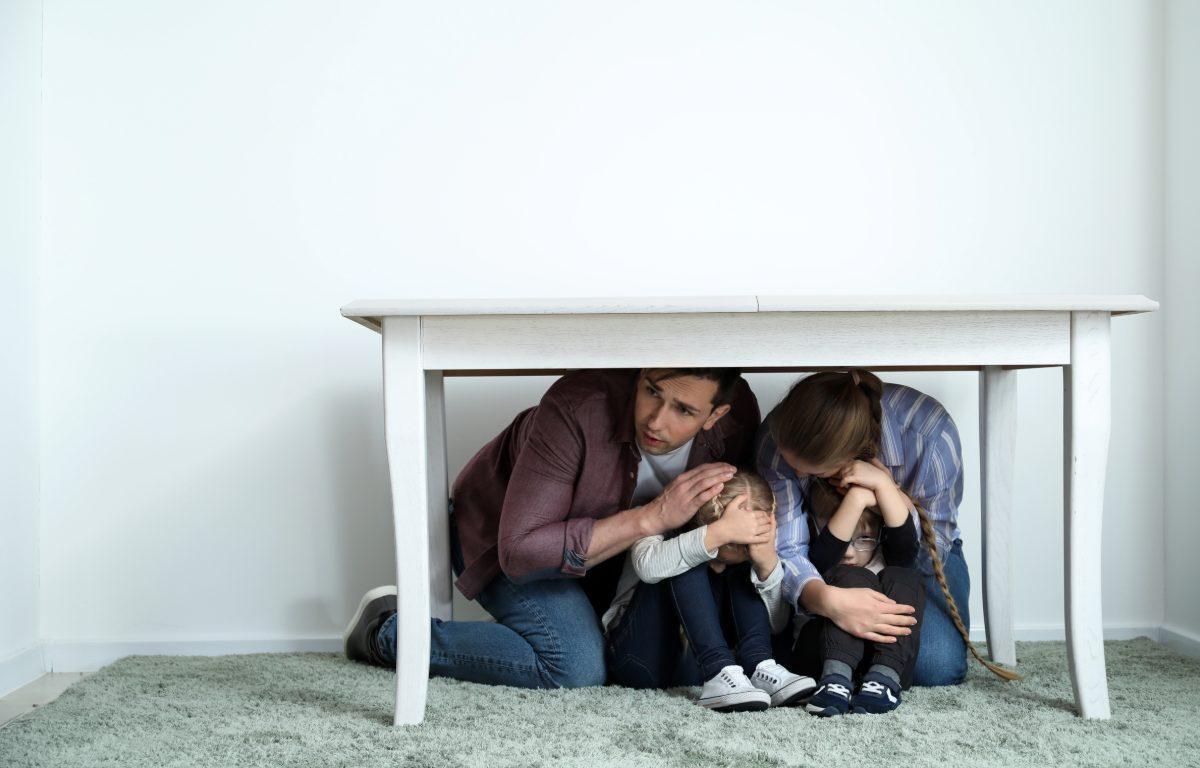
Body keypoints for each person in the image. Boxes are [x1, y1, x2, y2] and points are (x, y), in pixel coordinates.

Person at [343, 368, 760, 689]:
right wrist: (651, 517)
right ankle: (385, 631)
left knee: (655, 662)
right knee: (576, 666)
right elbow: (520, 552)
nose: (656, 420)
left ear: (715, 415)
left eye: (683, 410)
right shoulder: (578, 407)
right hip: (498, 536)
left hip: (613, 560)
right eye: (651, 391)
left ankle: (535, 633)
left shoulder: (737, 416)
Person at [757, 369, 1019, 688]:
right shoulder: (778, 439)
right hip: (828, 558)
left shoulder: (931, 434)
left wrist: (889, 495)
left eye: (813, 472)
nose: (796, 475)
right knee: (805, 653)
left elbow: (926, 555)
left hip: (915, 557)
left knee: (935, 665)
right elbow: (788, 549)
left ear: (851, 458)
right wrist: (828, 600)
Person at [603, 471, 815, 711]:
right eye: (733, 542)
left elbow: (777, 624)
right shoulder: (661, 515)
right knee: (686, 555)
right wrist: (718, 534)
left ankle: (759, 666)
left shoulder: (754, 548)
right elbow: (648, 568)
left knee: (745, 569)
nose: (743, 548)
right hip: (639, 659)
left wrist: (766, 564)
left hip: (699, 671)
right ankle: (717, 669)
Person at [798, 461, 924, 716]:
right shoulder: (816, 565)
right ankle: (835, 681)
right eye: (844, 539)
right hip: (823, 658)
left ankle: (883, 680)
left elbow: (906, 548)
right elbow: (824, 556)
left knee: (905, 577)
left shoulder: (886, 558)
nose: (849, 552)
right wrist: (856, 499)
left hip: (884, 659)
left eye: (864, 539)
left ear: (880, 535)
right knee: (850, 575)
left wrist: (882, 487)